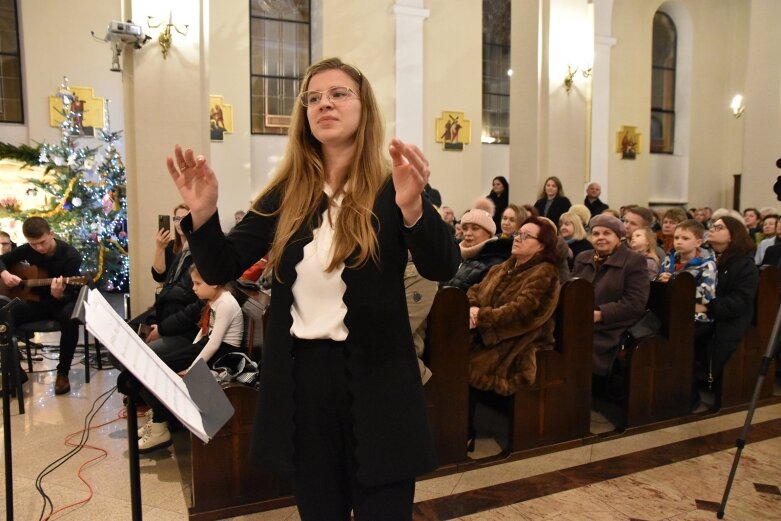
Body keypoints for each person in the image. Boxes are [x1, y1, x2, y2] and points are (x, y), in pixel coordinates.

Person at [166, 58, 459, 520]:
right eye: (313, 97)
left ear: (365, 108)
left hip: (377, 378)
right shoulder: (287, 193)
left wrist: (413, 209)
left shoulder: (394, 185)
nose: (324, 103)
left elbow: (443, 265)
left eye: (339, 93)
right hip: (302, 383)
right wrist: (202, 216)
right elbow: (221, 266)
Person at [466, 216, 561, 445]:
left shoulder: (545, 272)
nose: (517, 238)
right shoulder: (503, 267)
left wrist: (482, 317)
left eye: (526, 236)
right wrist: (472, 308)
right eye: (518, 233)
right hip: (487, 330)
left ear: (542, 245)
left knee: (470, 366)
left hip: (520, 337)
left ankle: (465, 433)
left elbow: (524, 311)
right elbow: (474, 290)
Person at [137, 265, 244, 452]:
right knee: (154, 366)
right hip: (207, 347)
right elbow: (204, 335)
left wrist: (193, 368)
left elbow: (214, 343)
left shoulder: (226, 303)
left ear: (215, 282)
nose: (193, 288)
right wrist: (191, 351)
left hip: (223, 354)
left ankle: (160, 426)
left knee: (157, 368)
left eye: (197, 283)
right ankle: (159, 419)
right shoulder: (214, 299)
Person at [0, 217, 82, 395]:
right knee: (3, 317)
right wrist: (5, 273)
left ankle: (63, 373)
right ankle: (15, 371)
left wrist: (58, 294)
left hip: (61, 301)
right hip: (35, 301)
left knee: (71, 318)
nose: (39, 248)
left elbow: (70, 293)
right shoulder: (27, 249)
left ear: (51, 234)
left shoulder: (71, 256)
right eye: (33, 244)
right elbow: (2, 260)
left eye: (42, 242)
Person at [572, 214, 649, 377]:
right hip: (579, 320)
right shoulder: (583, 258)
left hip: (611, 327)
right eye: (596, 233)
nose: (601, 238)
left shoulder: (634, 261)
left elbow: (635, 303)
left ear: (619, 237)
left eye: (607, 233)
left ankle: (580, 392)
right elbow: (571, 289)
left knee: (576, 345)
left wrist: (599, 314)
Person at [693, 217, 758, 399]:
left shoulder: (745, 265)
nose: (712, 229)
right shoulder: (708, 259)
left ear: (733, 236)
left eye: (719, 227)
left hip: (728, 320)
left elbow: (740, 301)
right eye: (712, 226)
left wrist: (706, 307)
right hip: (707, 315)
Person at [130, 204, 202, 350]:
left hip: (179, 312)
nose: (180, 223)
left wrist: (163, 328)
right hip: (166, 303)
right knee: (131, 331)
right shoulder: (171, 247)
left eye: (185, 218)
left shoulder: (197, 251)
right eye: (177, 218)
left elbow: (191, 302)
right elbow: (158, 275)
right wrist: (159, 248)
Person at [657, 220, 716, 323]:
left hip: (695, 314)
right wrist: (660, 280)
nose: (679, 241)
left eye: (685, 238)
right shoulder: (669, 259)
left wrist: (674, 284)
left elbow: (706, 296)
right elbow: (657, 281)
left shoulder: (707, 264)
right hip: (669, 307)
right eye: (676, 238)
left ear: (698, 242)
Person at [441, 208, 511, 292]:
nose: (468, 233)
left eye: (475, 228)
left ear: (489, 233)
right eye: (465, 228)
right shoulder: (457, 256)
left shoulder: (495, 264)